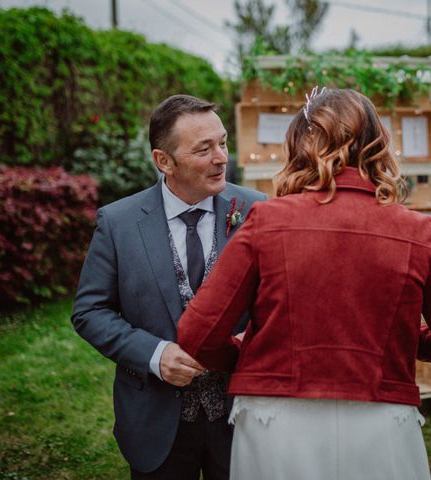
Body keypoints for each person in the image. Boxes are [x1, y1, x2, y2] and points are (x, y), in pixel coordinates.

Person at [177, 88, 431, 480]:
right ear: (378, 145)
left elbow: (198, 334)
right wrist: (399, 338)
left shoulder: (266, 221)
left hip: (277, 423)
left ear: (300, 145)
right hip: (379, 422)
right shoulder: (415, 230)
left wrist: (249, 352)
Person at [71, 94, 265, 479]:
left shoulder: (257, 210)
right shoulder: (119, 222)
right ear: (164, 161)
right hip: (155, 418)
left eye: (223, 142)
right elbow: (90, 311)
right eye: (204, 149)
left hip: (240, 415)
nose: (222, 157)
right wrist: (154, 355)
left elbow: (278, 303)